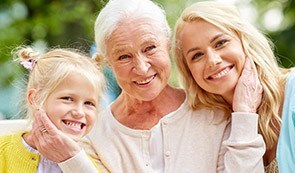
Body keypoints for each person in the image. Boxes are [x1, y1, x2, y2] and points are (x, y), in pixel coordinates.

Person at [28, 0, 266, 172]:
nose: (142, 68)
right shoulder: (92, 132)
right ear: (107, 62)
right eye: (124, 57)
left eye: (150, 48)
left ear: (168, 44)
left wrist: (244, 114)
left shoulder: (213, 112)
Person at [172, 1, 295, 173]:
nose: (212, 60)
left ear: (245, 41)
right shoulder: (210, 127)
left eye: (220, 43)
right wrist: (244, 115)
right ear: (189, 72)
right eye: (197, 55)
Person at [0, 47, 105, 172]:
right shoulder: (3, 151)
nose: (79, 112)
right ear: (36, 99)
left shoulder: (87, 166)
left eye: (89, 103)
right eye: (68, 99)